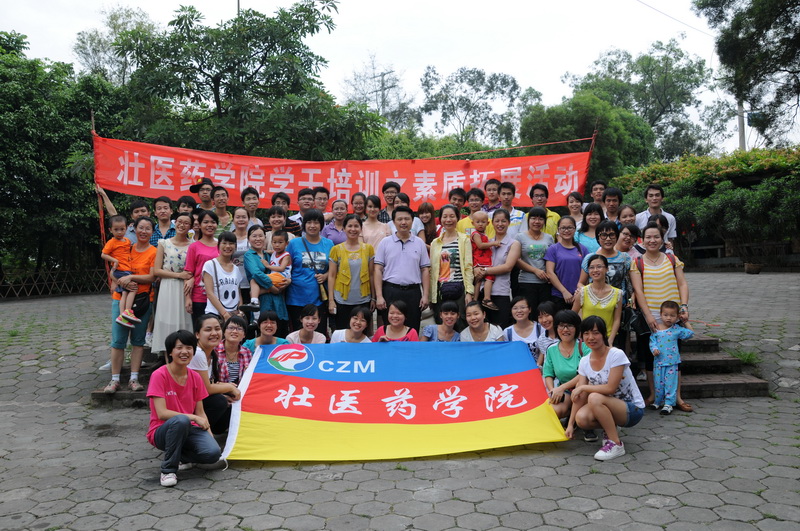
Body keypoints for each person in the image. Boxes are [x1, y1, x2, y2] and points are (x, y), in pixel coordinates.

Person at [630, 223, 692, 411]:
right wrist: (649, 316)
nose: (652, 240)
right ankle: (653, 395)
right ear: (642, 240)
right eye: (648, 237)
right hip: (650, 320)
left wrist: (684, 306)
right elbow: (638, 291)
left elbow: (682, 284)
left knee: (674, 358)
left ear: (662, 239)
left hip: (672, 318)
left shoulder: (672, 259)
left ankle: (677, 398)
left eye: (656, 237)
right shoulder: (637, 263)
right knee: (651, 359)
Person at [146, 329, 220, 488]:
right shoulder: (159, 375)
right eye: (179, 348)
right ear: (170, 352)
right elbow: (162, 413)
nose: (184, 352)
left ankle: (182, 457)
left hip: (189, 428)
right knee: (180, 420)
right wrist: (192, 417)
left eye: (189, 348)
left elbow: (200, 412)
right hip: (162, 430)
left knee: (213, 453)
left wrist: (210, 437)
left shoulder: (195, 377)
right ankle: (168, 470)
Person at [566, 316, 645, 461]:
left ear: (604, 334)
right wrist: (570, 424)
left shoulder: (616, 354)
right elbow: (579, 396)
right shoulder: (584, 361)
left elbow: (610, 389)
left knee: (594, 397)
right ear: (581, 337)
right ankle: (610, 429)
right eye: (586, 333)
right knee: (581, 418)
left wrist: (583, 387)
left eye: (596, 333)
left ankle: (616, 444)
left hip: (631, 409)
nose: (591, 337)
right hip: (608, 406)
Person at [103, 216, 157, 394]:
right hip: (120, 298)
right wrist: (122, 282)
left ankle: (134, 379)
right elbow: (113, 272)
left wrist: (132, 278)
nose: (144, 231)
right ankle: (115, 379)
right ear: (134, 229)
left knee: (138, 341)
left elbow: (152, 277)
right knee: (118, 341)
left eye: (148, 228)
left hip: (142, 301)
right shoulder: (126, 247)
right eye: (141, 227)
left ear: (152, 232)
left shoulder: (154, 252)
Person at [374, 206, 430, 332]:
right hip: (390, 291)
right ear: (393, 222)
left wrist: (425, 295)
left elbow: (425, 270)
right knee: (390, 329)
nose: (403, 222)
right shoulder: (385, 242)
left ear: (412, 221)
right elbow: (378, 270)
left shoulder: (419, 243)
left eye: (407, 219)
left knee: (412, 328)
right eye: (399, 219)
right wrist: (379, 296)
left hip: (413, 292)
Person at [188, 314, 241, 435]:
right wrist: (229, 387)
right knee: (219, 400)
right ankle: (195, 433)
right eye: (208, 329)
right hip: (187, 403)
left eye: (217, 329)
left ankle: (212, 430)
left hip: (199, 399)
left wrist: (227, 389)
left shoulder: (212, 354)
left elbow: (209, 383)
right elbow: (206, 388)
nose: (214, 333)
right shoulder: (197, 353)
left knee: (232, 401)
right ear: (197, 334)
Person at [285, 209, 334, 333]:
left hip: (318, 298)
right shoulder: (294, 243)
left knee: (319, 334)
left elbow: (334, 269)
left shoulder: (329, 244)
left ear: (321, 225)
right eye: (309, 222)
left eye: (316, 222)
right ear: (304, 224)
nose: (312, 226)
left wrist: (325, 276)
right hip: (296, 298)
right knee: (297, 334)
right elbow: (286, 267)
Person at [151, 212, 194, 353]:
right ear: (175, 223)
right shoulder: (163, 243)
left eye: (186, 223)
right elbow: (157, 270)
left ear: (191, 227)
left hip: (186, 288)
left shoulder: (193, 245)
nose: (182, 225)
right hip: (168, 287)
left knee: (184, 322)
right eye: (179, 221)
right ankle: (167, 359)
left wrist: (189, 278)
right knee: (166, 322)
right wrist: (179, 275)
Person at [327, 214, 374, 330]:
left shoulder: (368, 249)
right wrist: (331, 300)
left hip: (363, 300)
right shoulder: (336, 249)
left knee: (361, 332)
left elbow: (372, 274)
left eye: (356, 226)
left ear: (361, 229)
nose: (353, 229)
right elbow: (331, 276)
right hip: (341, 300)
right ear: (344, 228)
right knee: (342, 332)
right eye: (350, 226)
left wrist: (373, 298)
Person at [476, 208, 521, 328]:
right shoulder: (487, 243)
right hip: (482, 292)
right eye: (497, 221)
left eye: (503, 221)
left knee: (500, 329)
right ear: (492, 223)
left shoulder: (514, 244)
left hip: (501, 293)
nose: (500, 224)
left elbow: (508, 267)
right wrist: (476, 269)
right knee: (482, 330)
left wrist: (485, 271)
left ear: (509, 222)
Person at [543, 310, 590, 423]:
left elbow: (585, 374)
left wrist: (562, 388)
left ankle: (580, 420)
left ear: (577, 328)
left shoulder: (585, 347)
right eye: (561, 326)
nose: (565, 330)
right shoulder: (551, 349)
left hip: (586, 390)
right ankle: (571, 414)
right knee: (555, 411)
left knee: (580, 386)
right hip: (566, 392)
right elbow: (548, 374)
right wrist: (553, 391)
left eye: (569, 326)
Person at [429, 204, 474, 322]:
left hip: (459, 290)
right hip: (441, 291)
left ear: (458, 218)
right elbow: (432, 270)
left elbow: (468, 267)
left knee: (460, 322)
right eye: (445, 216)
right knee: (442, 324)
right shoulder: (435, 243)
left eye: (452, 216)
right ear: (440, 219)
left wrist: (469, 292)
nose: (448, 220)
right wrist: (431, 296)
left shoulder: (464, 240)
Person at [243, 225, 289, 334]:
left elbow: (282, 271)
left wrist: (288, 281)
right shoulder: (249, 255)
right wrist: (271, 287)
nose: (258, 239)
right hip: (263, 302)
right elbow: (256, 273)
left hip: (277, 301)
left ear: (265, 237)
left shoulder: (270, 254)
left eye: (260, 236)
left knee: (280, 333)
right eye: (254, 236)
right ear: (248, 239)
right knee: (264, 333)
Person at [650, 301, 694, 415]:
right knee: (658, 383)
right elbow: (652, 341)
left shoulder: (677, 329)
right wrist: (654, 349)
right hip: (658, 362)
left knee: (670, 383)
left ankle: (669, 404)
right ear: (661, 315)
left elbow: (690, 333)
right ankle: (658, 401)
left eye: (672, 315)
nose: (668, 318)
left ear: (677, 317)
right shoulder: (656, 329)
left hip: (672, 363)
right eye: (665, 315)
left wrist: (685, 322)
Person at [573, 254, 623, 347]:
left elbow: (617, 319)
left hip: (607, 339)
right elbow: (573, 316)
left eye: (599, 267)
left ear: (606, 269)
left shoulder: (617, 293)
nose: (595, 270)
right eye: (592, 267)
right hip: (587, 341)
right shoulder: (583, 292)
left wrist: (610, 341)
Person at [544, 216, 589, 312]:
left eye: (570, 228)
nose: (566, 231)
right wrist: (564, 292)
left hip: (579, 295)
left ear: (575, 229)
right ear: (558, 230)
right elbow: (550, 272)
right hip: (559, 295)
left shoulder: (583, 249)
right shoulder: (553, 249)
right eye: (563, 228)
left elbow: (587, 272)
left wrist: (579, 292)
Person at [101, 215, 138, 328]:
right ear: (110, 230)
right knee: (133, 289)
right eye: (116, 229)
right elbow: (103, 254)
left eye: (122, 229)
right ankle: (127, 312)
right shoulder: (111, 242)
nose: (119, 232)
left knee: (125, 293)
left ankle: (123, 315)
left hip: (127, 269)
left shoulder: (127, 241)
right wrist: (114, 261)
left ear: (126, 228)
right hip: (121, 270)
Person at [516, 207, 554, 312]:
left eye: (540, 219)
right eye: (533, 218)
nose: (537, 222)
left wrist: (550, 275)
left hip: (545, 282)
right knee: (529, 312)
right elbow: (516, 260)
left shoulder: (549, 238)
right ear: (528, 220)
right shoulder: (519, 237)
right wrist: (535, 270)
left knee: (545, 313)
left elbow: (551, 259)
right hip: (526, 281)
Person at [184, 211, 220, 320]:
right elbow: (188, 273)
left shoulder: (222, 245)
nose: (210, 225)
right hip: (199, 297)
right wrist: (188, 298)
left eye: (213, 222)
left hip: (219, 295)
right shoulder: (194, 247)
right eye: (206, 222)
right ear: (199, 225)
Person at [202, 232, 245, 320]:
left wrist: (240, 311)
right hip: (215, 314)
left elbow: (238, 293)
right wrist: (225, 314)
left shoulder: (236, 269)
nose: (228, 246)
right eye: (224, 243)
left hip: (234, 315)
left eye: (231, 243)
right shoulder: (210, 265)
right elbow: (209, 293)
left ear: (235, 246)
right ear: (218, 245)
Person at [470, 211, 500, 311]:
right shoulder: (475, 234)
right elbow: (480, 245)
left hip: (484, 260)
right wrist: (493, 243)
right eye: (477, 222)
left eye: (483, 222)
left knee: (483, 279)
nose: (480, 224)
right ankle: (483, 299)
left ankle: (480, 299)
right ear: (473, 223)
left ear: (487, 223)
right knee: (486, 278)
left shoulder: (483, 234)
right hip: (480, 260)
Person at [214, 316, 252, 385]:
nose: (234, 331)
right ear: (224, 332)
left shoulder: (247, 352)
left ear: (244, 335)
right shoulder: (214, 350)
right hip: (218, 390)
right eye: (231, 328)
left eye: (239, 329)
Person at [534, 301, 560, 367]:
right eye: (540, 317)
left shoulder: (564, 334)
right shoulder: (541, 339)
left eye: (547, 315)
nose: (544, 320)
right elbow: (543, 356)